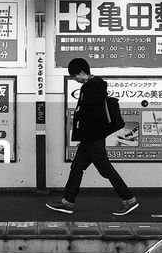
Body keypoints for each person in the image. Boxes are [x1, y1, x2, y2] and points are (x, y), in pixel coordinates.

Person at [47, 57, 139, 216]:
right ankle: (67, 202)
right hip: (89, 138)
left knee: (105, 169)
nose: (75, 79)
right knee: (77, 167)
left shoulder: (93, 85)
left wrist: (84, 130)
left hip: (93, 138)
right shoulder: (91, 86)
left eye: (75, 76)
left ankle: (129, 199)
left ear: (82, 72)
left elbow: (92, 114)